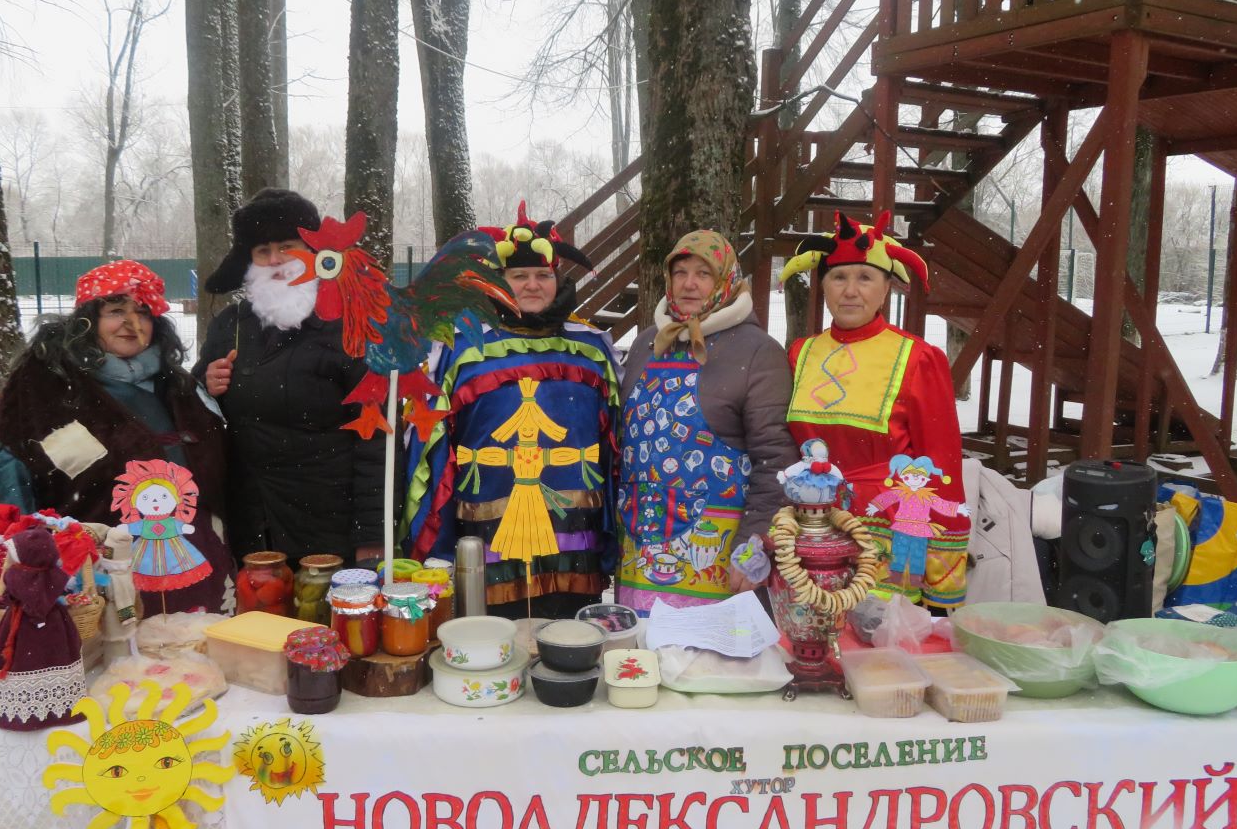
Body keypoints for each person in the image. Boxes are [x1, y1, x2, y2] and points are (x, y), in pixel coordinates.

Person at [0, 260, 234, 614]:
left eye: (143, 312)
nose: (131, 323)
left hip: (193, 570)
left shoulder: (178, 388)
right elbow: (3, 496)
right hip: (95, 590)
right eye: (115, 311)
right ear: (87, 321)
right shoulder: (44, 393)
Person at [402, 203, 619, 618]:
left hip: (575, 541)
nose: (532, 285)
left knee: (568, 638)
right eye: (519, 276)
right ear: (498, 281)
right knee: (491, 640)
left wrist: (614, 539)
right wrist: (436, 544)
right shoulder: (462, 349)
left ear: (558, 280)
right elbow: (435, 450)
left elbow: (614, 451)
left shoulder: (592, 350)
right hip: (483, 538)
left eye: (543, 275)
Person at [780, 210, 968, 608]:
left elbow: (942, 464)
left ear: (886, 288)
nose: (850, 291)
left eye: (865, 278)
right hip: (811, 533)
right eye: (838, 277)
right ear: (823, 286)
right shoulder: (800, 354)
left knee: (876, 643)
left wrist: (942, 580)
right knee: (810, 633)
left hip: (888, 540)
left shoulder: (918, 358)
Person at [194, 188, 386, 569]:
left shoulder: (350, 326)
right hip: (251, 524)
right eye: (262, 250)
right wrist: (204, 382)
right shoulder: (230, 326)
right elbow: (196, 412)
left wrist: (372, 535)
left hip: (330, 529)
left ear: (312, 250)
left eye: (287, 246)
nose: (275, 260)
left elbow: (377, 440)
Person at [617, 230, 797, 616]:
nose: (689, 284)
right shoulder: (647, 343)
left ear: (727, 280)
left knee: (710, 653)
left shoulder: (758, 351)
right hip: (640, 551)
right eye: (680, 272)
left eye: (704, 274)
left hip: (718, 559)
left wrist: (755, 541)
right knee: (640, 650)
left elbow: (776, 460)